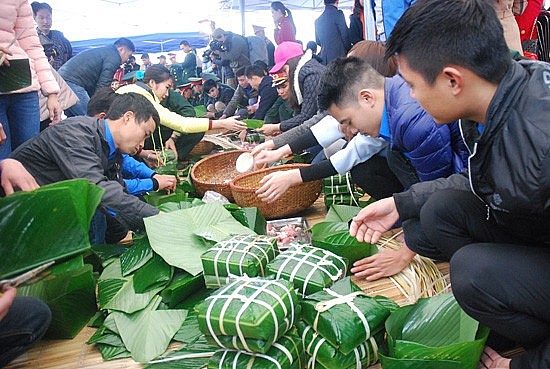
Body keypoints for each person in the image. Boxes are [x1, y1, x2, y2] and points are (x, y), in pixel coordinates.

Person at [351, 1, 549, 368]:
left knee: (471, 272)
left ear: (452, 79)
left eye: (411, 85)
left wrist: (527, 365)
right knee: (441, 211)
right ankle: (506, 316)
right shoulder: (499, 94)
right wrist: (402, 203)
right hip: (536, 233)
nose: (410, 97)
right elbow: (479, 178)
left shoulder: (541, 140)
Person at [10, 93, 162, 242]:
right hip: (17, 220)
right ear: (128, 117)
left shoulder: (111, 149)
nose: (142, 144)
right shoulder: (75, 133)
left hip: (46, 215)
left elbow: (117, 190)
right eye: (145, 134)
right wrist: (158, 218)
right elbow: (98, 189)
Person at [116, 65, 246, 159]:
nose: (167, 94)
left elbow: (186, 115)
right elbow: (182, 123)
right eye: (166, 87)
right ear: (152, 83)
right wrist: (222, 124)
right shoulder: (143, 97)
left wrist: (143, 153)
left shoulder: (131, 89)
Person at [0, 3, 61, 161]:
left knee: (28, 157)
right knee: (3, 161)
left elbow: (32, 45)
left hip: (25, 87)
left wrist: (52, 93)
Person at [257, 41, 325, 136]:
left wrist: (277, 128)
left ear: (293, 62)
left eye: (284, 70)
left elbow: (306, 117)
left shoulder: (311, 75)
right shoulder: (307, 72)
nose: (285, 75)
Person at [59, 37, 135, 117]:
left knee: (74, 118)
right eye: (128, 55)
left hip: (62, 79)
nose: (127, 60)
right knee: (91, 117)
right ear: (121, 49)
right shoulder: (114, 57)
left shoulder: (105, 51)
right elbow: (103, 85)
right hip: (72, 82)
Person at [30, 1, 72, 70]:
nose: (46, 21)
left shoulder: (59, 35)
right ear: (35, 18)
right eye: (41, 18)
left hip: (64, 74)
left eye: (48, 17)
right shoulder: (32, 38)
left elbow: (67, 54)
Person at [315, 0, 351, 65]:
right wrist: (349, 49)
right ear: (337, 1)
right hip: (339, 57)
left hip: (324, 59)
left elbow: (318, 41)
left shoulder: (317, 20)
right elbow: (345, 35)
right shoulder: (338, 14)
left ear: (324, 2)